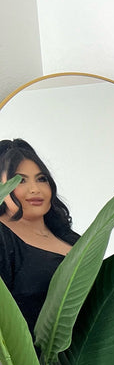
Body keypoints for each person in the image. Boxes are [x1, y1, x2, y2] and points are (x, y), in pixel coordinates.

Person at [0, 139, 79, 334]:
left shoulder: (67, 236)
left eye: (41, 179)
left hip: (85, 351)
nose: (35, 189)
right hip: (26, 354)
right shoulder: (3, 237)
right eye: (20, 180)